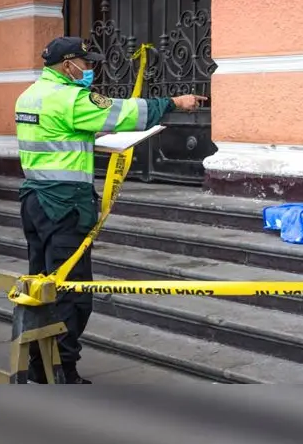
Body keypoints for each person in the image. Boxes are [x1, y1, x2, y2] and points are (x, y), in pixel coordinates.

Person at [16, 36, 206, 383]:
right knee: (71, 293)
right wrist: (175, 102)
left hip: (35, 202)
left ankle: (38, 367)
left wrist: (86, 142)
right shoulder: (72, 97)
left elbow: (57, 138)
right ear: (69, 64)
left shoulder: (29, 95)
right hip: (65, 206)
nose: (90, 70)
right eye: (86, 64)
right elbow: (127, 113)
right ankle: (62, 374)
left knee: (40, 286)